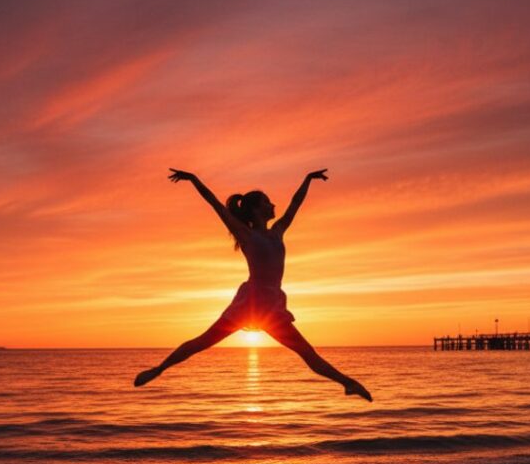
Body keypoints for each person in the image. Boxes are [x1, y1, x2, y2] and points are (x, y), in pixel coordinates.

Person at [133, 168, 372, 401]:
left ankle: (348, 384)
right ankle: (157, 370)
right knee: (202, 342)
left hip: (272, 307)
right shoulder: (246, 235)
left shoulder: (278, 231)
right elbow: (215, 204)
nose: (273, 205)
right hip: (250, 304)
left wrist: (308, 179)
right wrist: (194, 179)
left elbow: (295, 204)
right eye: (267, 202)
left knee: (306, 352)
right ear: (257, 210)